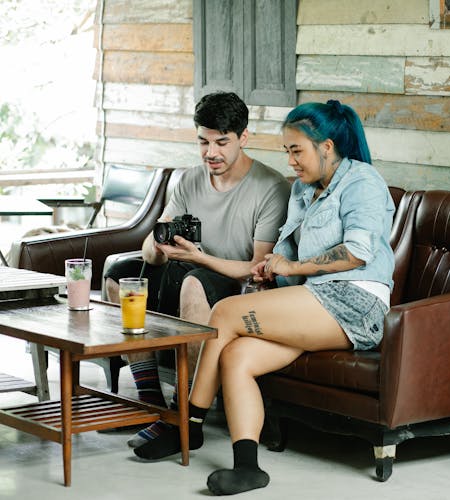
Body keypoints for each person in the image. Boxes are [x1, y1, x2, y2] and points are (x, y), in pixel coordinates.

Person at [132, 100, 395, 496]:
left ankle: (188, 424)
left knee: (225, 313)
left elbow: (357, 252)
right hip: (311, 301)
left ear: (326, 147)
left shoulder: (363, 182)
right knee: (238, 358)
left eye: (297, 151)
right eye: (287, 151)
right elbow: (289, 256)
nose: (291, 161)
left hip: (355, 303)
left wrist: (292, 268)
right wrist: (272, 266)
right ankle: (247, 467)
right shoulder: (304, 191)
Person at [103, 91, 291, 448]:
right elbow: (156, 238)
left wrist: (200, 259)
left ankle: (183, 416)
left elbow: (257, 269)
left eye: (222, 142)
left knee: (193, 283)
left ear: (244, 138)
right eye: (203, 142)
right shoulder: (190, 179)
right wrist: (157, 249)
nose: (211, 153)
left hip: (236, 285)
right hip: (191, 268)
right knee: (121, 276)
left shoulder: (270, 187)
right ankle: (150, 404)